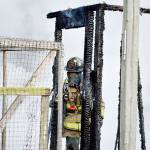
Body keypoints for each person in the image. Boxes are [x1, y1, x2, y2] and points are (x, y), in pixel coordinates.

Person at [63, 57, 83, 150]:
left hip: (87, 127)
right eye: (69, 73)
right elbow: (60, 106)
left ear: (80, 74)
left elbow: (100, 105)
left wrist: (99, 119)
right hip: (71, 130)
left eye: (73, 73)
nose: (70, 75)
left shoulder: (88, 87)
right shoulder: (65, 87)